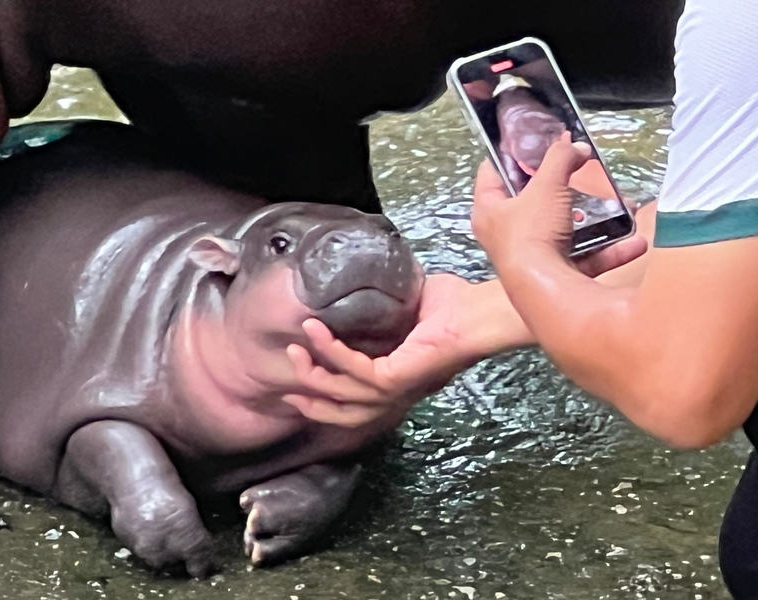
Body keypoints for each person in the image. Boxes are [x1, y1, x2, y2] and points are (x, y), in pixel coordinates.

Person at [280, 1, 758, 596]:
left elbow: (683, 390)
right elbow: (733, 262)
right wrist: (476, 318)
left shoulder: (736, 26)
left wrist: (523, 256)